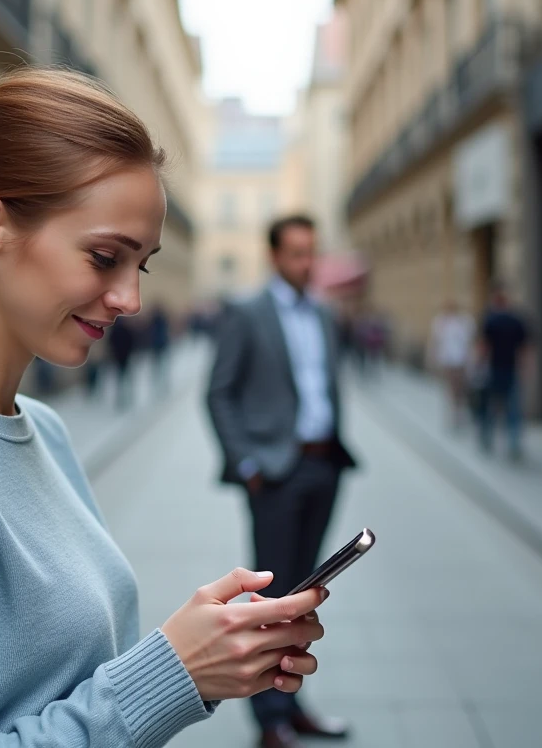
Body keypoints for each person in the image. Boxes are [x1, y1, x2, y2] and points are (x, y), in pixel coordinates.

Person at [0, 68, 329, 748]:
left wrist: (206, 650)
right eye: (105, 256)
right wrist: (174, 673)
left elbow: (65, 685)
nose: (129, 299)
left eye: (140, 265)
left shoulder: (41, 430)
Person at [206, 214, 357, 748]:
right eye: (296, 253)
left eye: (311, 252)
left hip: (324, 465)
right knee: (275, 600)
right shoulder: (247, 312)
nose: (306, 262)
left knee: (307, 594)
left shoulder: (322, 312)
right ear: (274, 256)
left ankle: (293, 707)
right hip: (274, 473)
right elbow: (219, 391)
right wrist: (247, 465)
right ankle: (269, 720)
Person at [476, 281, 533, 460]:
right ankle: (513, 442)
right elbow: (525, 349)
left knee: (493, 405)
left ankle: (488, 437)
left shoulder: (490, 319)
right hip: (509, 369)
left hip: (496, 369)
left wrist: (478, 365)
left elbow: (484, 347)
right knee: (512, 407)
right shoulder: (515, 319)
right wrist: (526, 368)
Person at [429, 300, 475, 428]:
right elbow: (436, 342)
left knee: (461, 390)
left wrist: (470, 361)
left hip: (461, 361)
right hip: (447, 361)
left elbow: (468, 343)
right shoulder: (440, 322)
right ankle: (453, 415)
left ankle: (459, 413)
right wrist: (434, 359)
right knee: (451, 389)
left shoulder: (464, 321)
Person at [107, 318, 136, 410]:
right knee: (126, 378)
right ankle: (127, 396)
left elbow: (110, 343)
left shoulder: (114, 331)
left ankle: (121, 398)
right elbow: (131, 341)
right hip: (125, 357)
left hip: (119, 357)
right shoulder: (126, 329)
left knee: (120, 378)